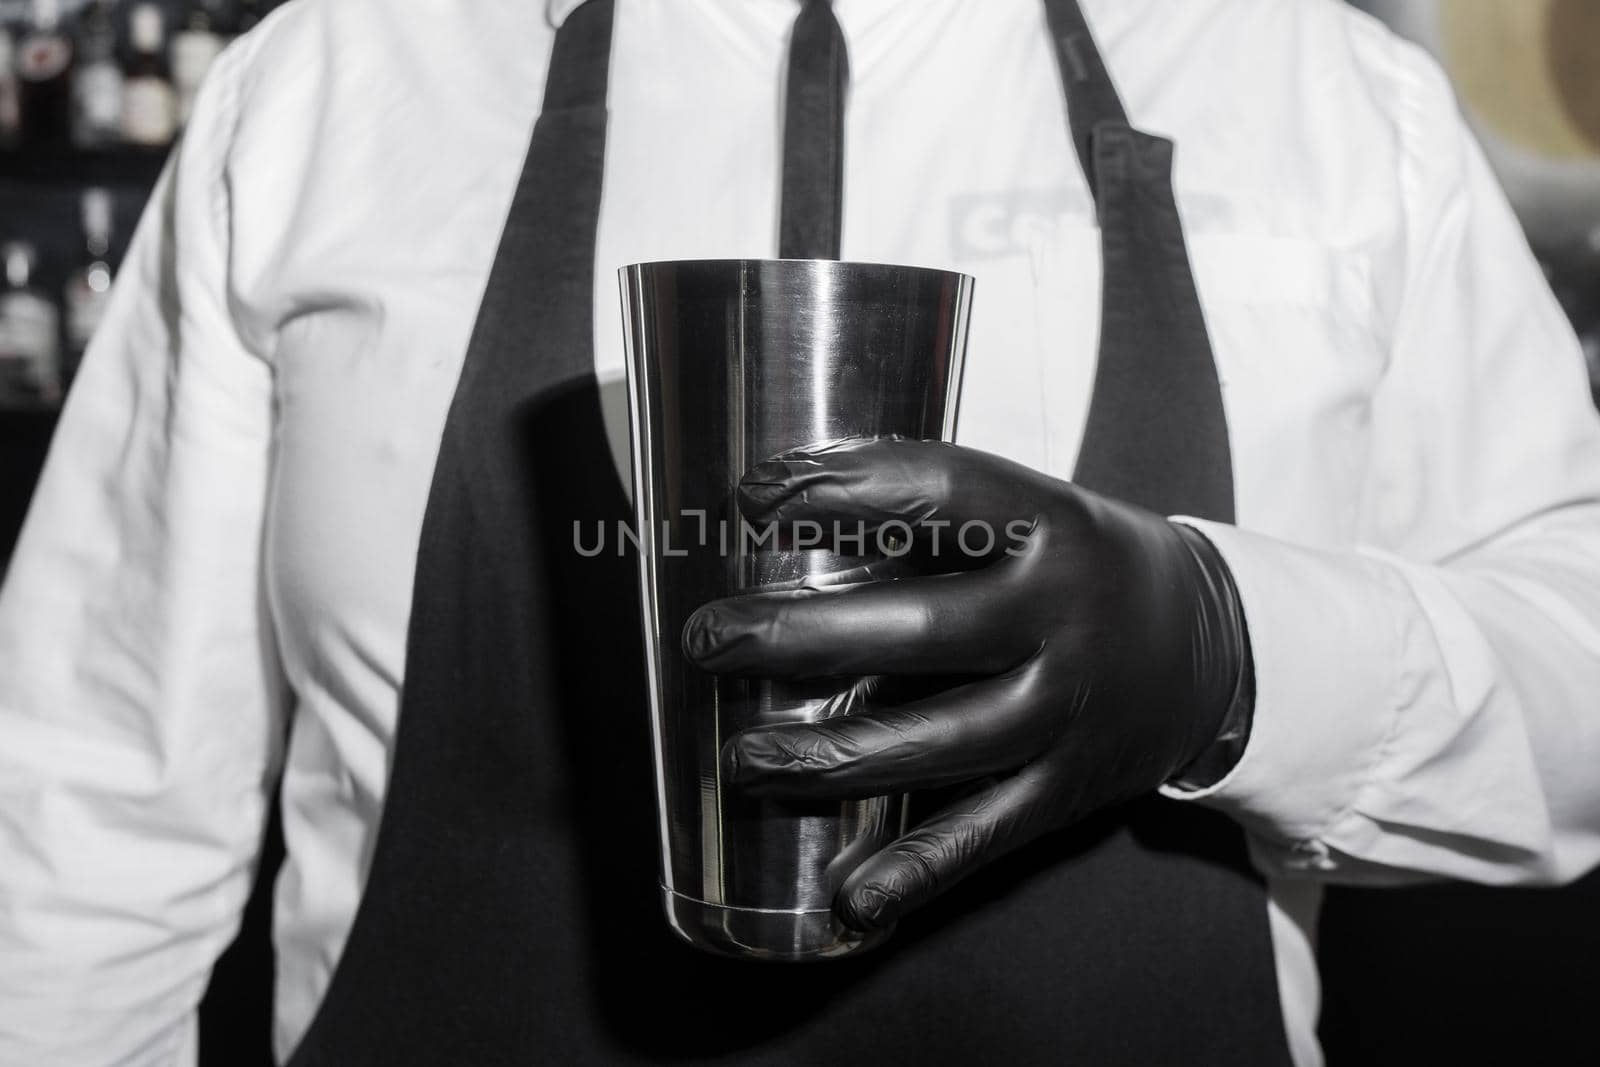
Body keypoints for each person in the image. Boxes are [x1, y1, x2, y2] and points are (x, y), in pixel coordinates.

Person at [3, 0, 1599, 1064]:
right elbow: (82, 822)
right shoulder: (339, 79)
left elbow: (1578, 680)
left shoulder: (1324, 91)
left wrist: (1223, 651)